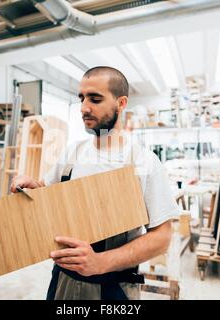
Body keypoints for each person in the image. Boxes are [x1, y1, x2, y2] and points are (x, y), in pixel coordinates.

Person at [11, 66, 179, 300]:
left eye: (95, 99)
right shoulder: (72, 153)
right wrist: (32, 188)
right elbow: (50, 194)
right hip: (63, 281)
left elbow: (162, 237)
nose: (84, 108)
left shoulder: (143, 162)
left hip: (113, 287)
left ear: (121, 103)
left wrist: (100, 262)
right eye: (81, 98)